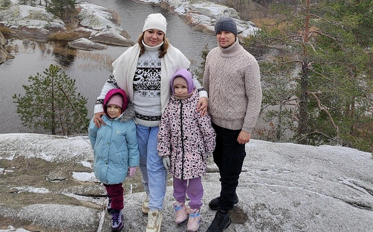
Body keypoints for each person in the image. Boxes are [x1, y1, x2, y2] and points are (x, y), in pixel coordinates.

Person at [93, 13, 208, 232]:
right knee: (143, 164)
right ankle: (149, 195)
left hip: (162, 125)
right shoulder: (131, 55)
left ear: (164, 35)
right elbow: (111, 82)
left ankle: (155, 211)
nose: (154, 37)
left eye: (159, 33)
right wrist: (100, 107)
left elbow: (191, 80)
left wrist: (202, 94)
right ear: (144, 32)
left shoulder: (174, 56)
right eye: (151, 32)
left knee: (156, 167)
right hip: (135, 122)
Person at [203, 16, 262, 232]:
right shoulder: (212, 55)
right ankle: (230, 194)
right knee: (219, 161)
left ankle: (224, 212)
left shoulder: (248, 61)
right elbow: (206, 86)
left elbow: (255, 98)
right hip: (214, 124)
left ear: (235, 34)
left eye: (226, 32)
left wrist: (247, 128)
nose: (222, 36)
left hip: (236, 128)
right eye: (219, 33)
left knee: (231, 169)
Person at [157, 69, 216, 232]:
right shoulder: (170, 106)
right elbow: (164, 130)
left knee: (195, 186)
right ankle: (180, 207)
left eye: (183, 86)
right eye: (176, 87)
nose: (180, 90)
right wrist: (164, 152)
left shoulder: (197, 104)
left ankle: (195, 211)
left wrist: (209, 148)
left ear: (190, 86)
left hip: (194, 154)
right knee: (178, 184)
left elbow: (206, 128)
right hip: (176, 155)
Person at [89, 88, 139, 232]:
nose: (112, 110)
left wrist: (132, 164)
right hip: (102, 162)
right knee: (106, 183)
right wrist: (96, 148)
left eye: (116, 107)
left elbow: (133, 146)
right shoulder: (100, 120)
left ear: (121, 108)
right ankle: (111, 199)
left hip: (118, 164)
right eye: (109, 107)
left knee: (116, 190)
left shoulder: (128, 124)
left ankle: (117, 213)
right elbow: (92, 134)